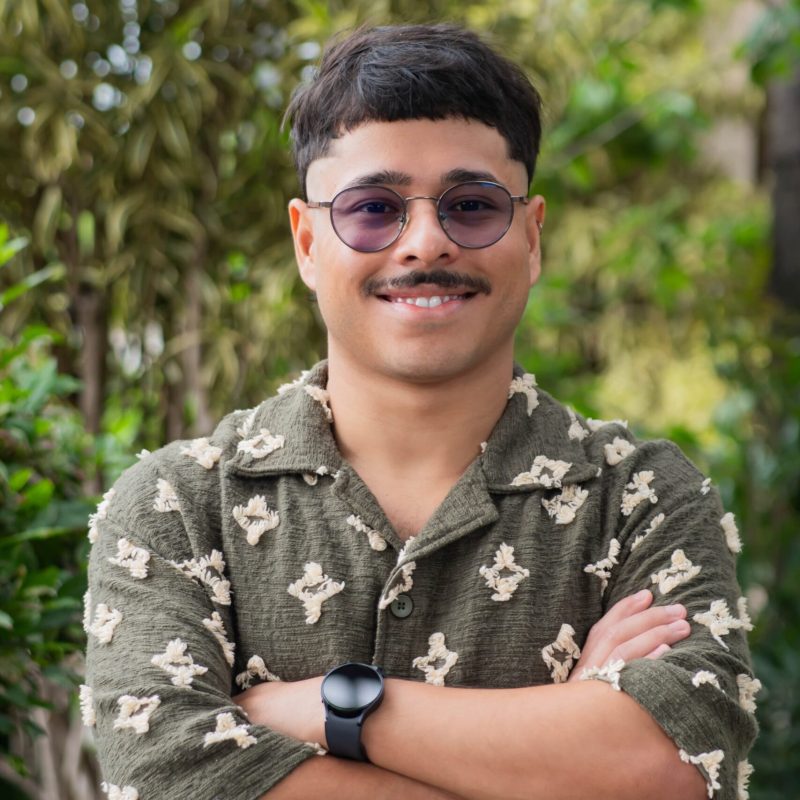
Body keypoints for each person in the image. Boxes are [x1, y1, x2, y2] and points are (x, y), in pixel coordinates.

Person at [83, 23, 759, 800]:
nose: (426, 242)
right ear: (307, 243)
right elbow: (171, 779)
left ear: (533, 237)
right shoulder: (178, 507)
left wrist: (326, 711)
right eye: (373, 209)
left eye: (472, 206)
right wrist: (564, 739)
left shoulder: (641, 498)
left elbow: (676, 769)